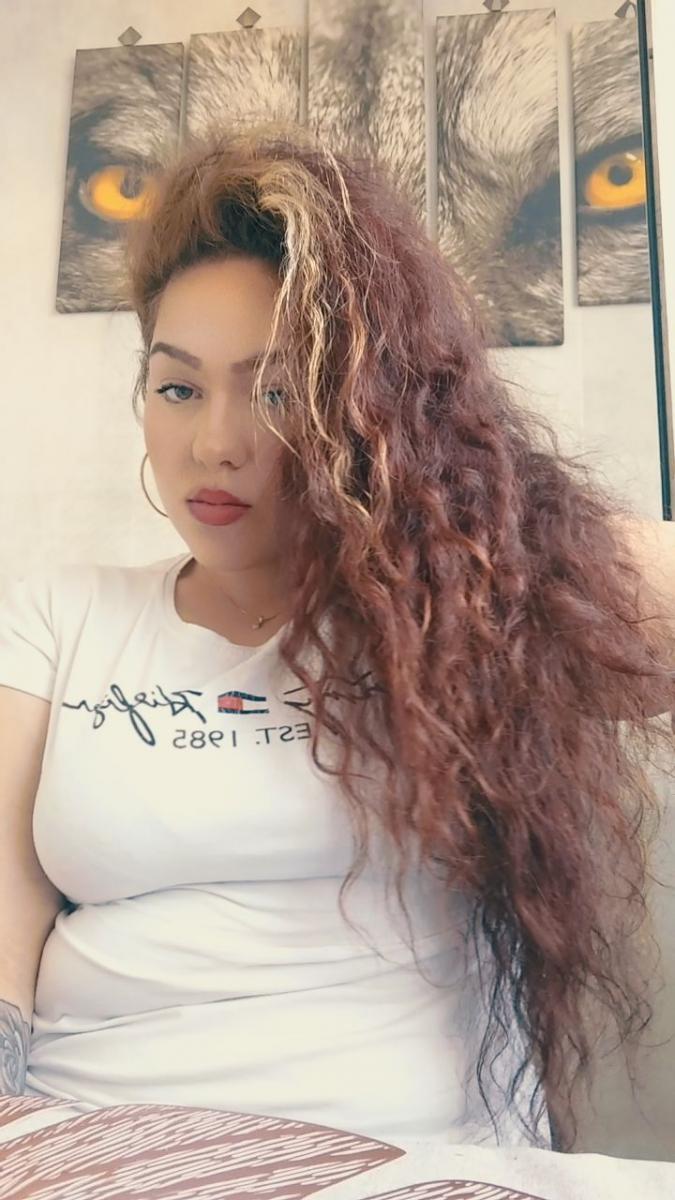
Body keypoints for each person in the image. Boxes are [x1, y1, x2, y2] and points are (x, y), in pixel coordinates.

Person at [0, 124, 673, 1153]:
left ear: (371, 411)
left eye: (277, 390)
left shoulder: (456, 614)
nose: (215, 443)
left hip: (394, 1156)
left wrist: (460, 492)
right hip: (93, 1142)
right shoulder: (60, 615)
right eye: (178, 387)